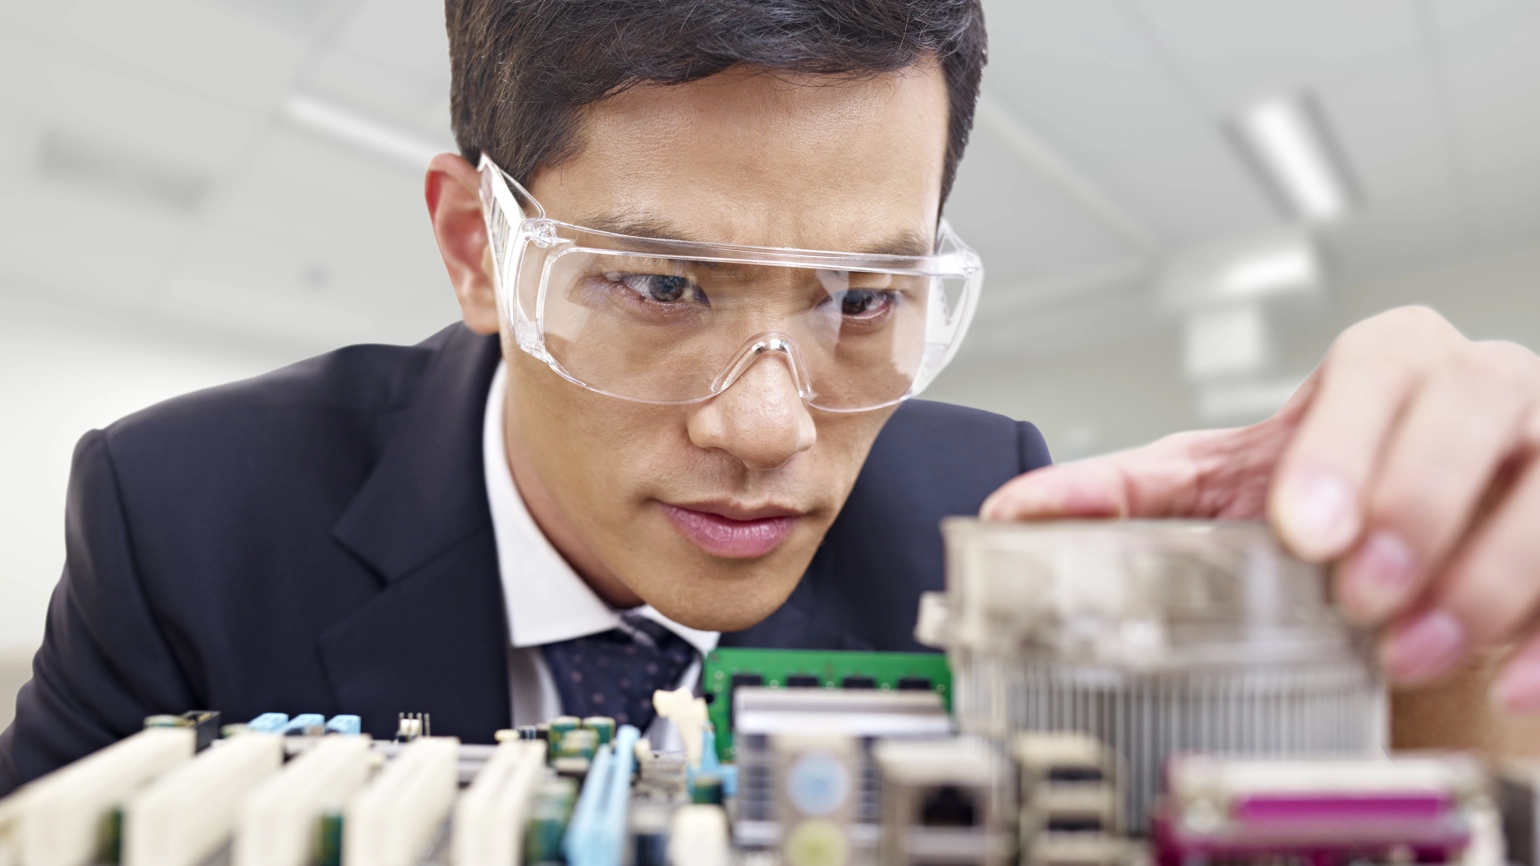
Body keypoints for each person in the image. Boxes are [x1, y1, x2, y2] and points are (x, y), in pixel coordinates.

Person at [3, 0, 1539, 794]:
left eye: (864, 301)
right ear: (480, 246)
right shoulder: (188, 520)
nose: (768, 429)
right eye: (662, 288)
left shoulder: (977, 509)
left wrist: (1428, 675)